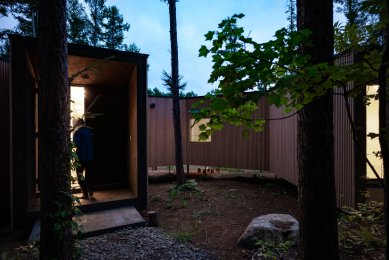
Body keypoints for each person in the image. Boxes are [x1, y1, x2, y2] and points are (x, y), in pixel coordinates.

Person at [73, 118, 95, 200]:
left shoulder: (78, 131)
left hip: (81, 157)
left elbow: (76, 144)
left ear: (78, 123)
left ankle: (85, 194)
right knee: (89, 176)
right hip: (90, 157)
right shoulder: (90, 131)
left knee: (80, 175)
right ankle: (91, 194)